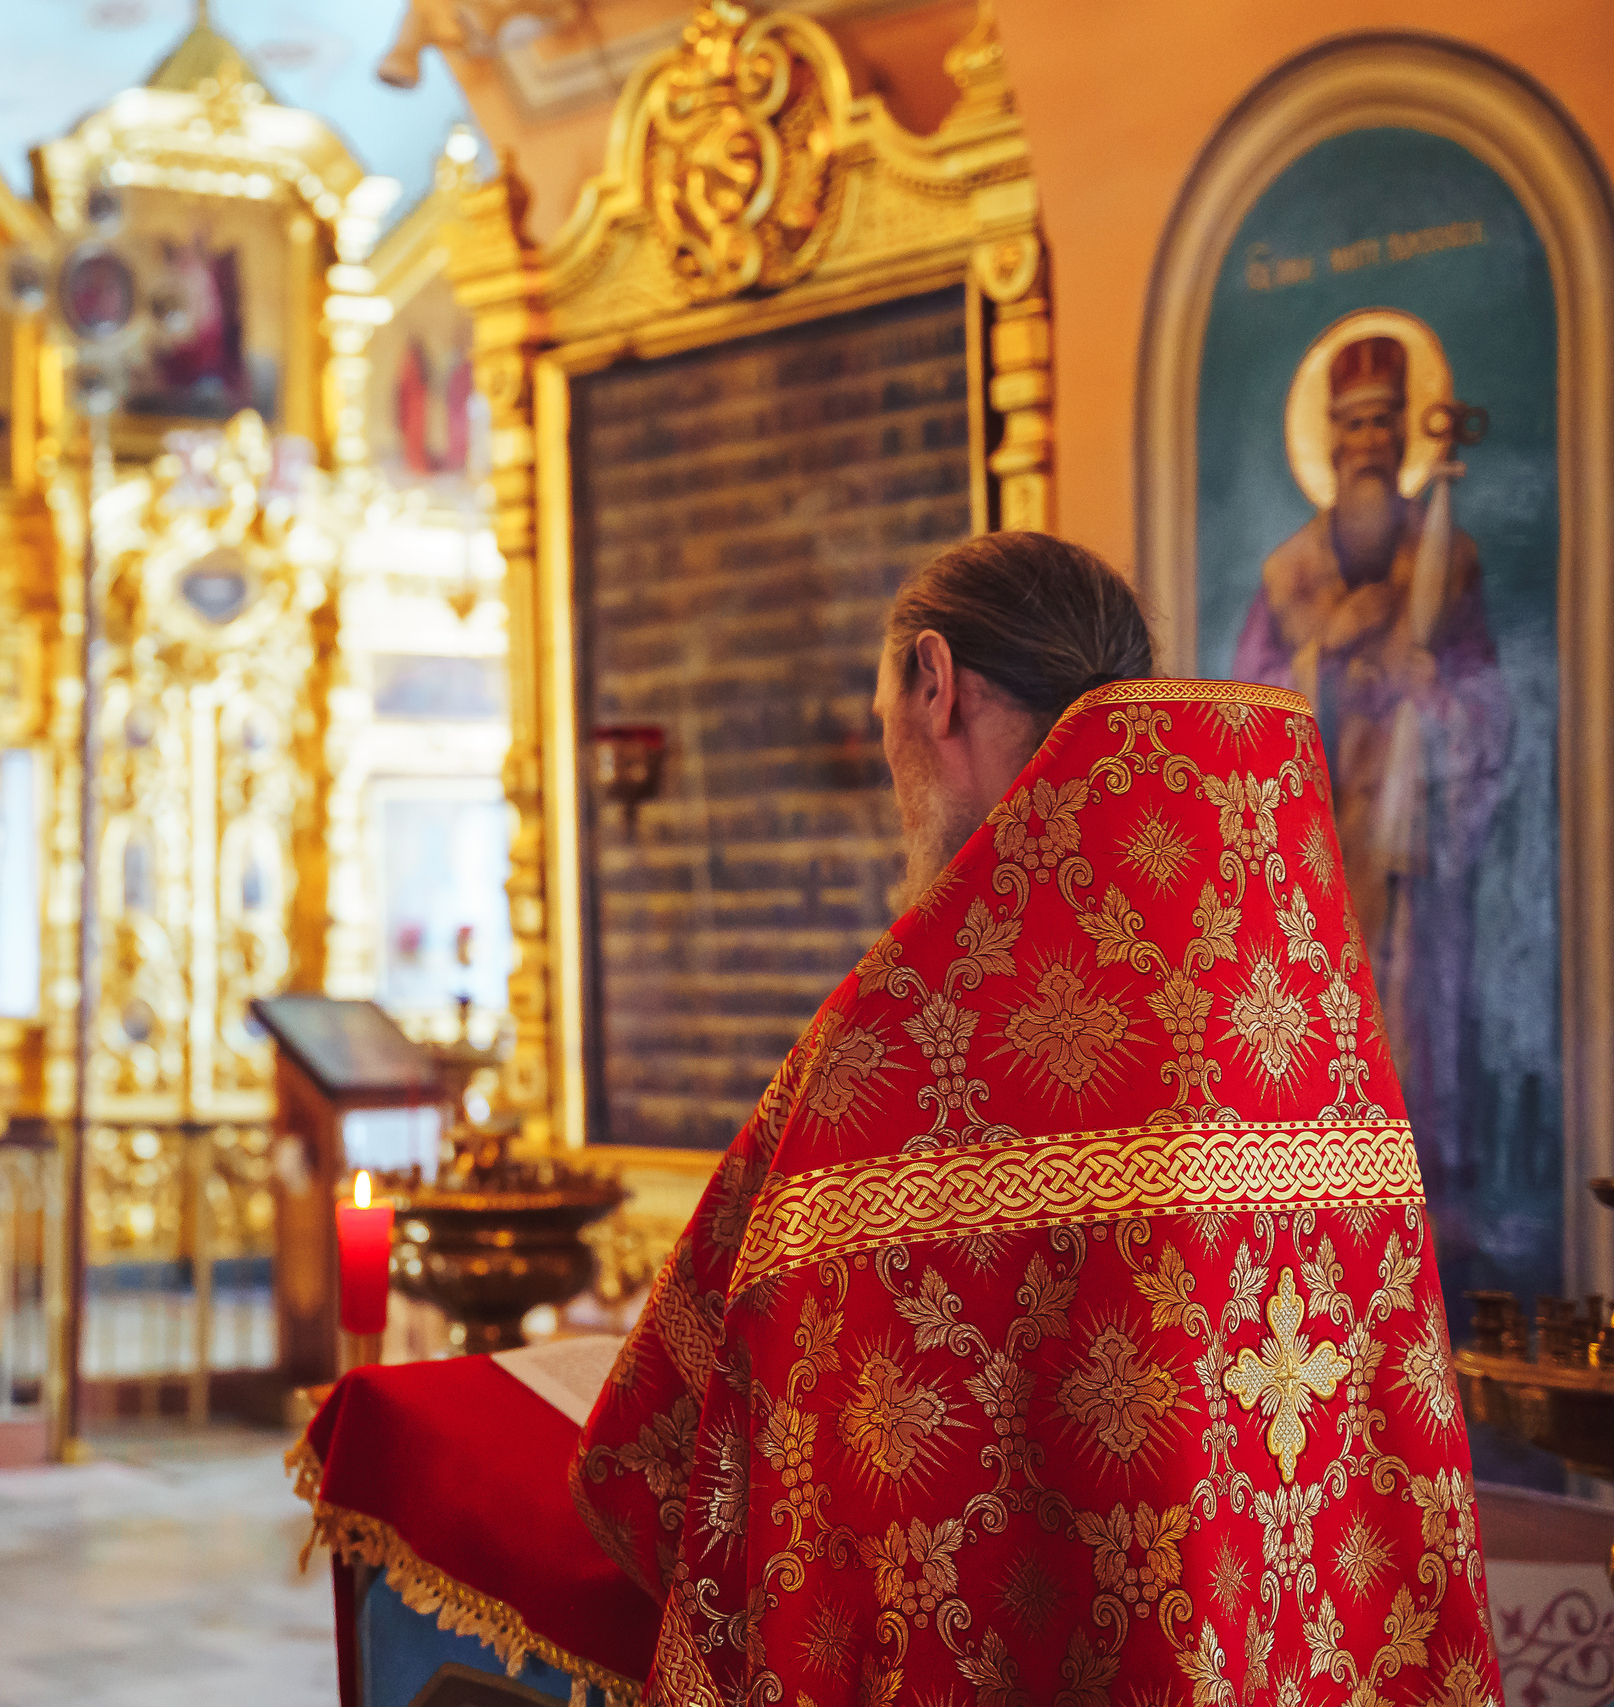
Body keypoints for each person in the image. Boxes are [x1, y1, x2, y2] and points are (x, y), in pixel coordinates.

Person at [572, 532, 1499, 1705]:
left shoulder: (902, 1028)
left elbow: (724, 1418)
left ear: (934, 681)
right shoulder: (1292, 988)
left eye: (887, 717)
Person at [1232, 332, 1509, 1195]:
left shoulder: (1447, 561)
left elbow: (1494, 707)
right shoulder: (1287, 577)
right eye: (1350, 426)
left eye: (1383, 424)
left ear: (1402, 436)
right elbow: (1239, 721)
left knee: (1417, 1051)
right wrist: (1325, 654)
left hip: (1416, 868)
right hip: (1318, 869)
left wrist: (1436, 694)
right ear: (1328, 436)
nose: (1366, 444)